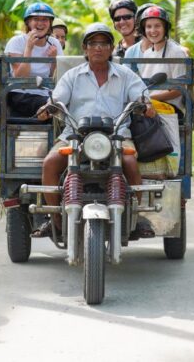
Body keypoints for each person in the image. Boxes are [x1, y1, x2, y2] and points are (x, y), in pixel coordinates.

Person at [33, 23, 156, 238]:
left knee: (129, 162)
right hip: (75, 135)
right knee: (50, 163)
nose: (98, 48)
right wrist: (48, 108)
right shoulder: (72, 76)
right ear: (85, 48)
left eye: (103, 44)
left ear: (110, 48)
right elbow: (57, 99)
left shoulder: (125, 75)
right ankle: (55, 219)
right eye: (93, 43)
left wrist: (145, 105)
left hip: (117, 135)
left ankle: (138, 215)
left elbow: (142, 97)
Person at [125, 5, 187, 118]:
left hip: (170, 107)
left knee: (135, 110)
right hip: (150, 104)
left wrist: (150, 99)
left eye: (157, 26)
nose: (152, 30)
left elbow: (179, 90)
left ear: (165, 28)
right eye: (148, 27)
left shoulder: (176, 52)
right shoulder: (148, 53)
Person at [4, 2, 63, 117]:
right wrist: (29, 48)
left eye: (45, 20)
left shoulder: (54, 43)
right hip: (20, 95)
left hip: (47, 95)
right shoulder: (16, 42)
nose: (40, 23)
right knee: (51, 106)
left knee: (63, 103)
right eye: (36, 19)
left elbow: (55, 77)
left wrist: (54, 60)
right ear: (28, 22)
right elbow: (21, 77)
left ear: (50, 23)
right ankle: (45, 110)